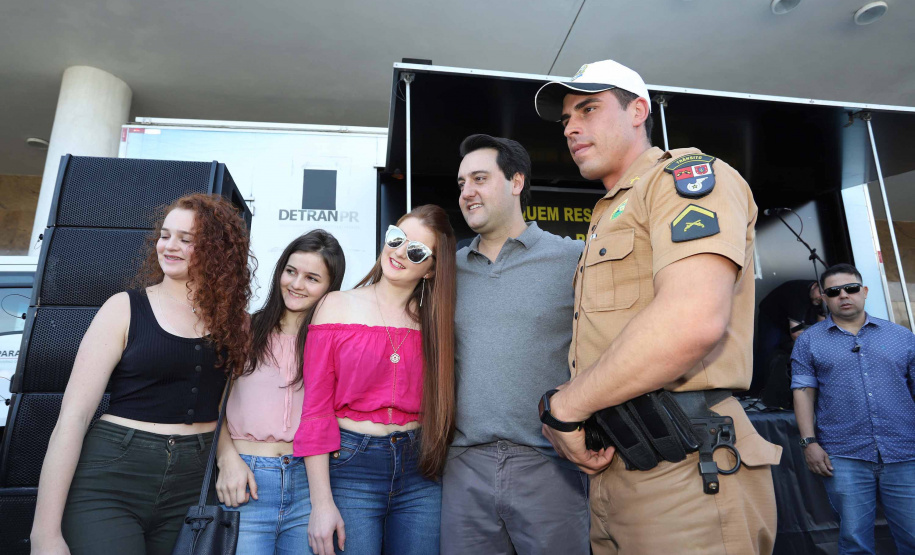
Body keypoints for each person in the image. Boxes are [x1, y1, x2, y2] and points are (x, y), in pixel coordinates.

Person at [533, 59, 781, 554]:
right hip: (619, 465)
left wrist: (566, 407)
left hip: (689, 468)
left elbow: (692, 321)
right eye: (566, 119)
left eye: (588, 108)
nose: (572, 127)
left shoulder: (685, 179)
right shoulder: (612, 210)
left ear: (638, 111)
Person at [30, 194, 253, 555]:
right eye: (165, 235)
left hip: (193, 480)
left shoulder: (236, 322)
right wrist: (45, 534)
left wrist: (227, 457)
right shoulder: (123, 308)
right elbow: (73, 418)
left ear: (216, 250)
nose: (170, 246)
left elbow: (228, 405)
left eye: (186, 238)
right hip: (113, 473)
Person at [440, 134, 589, 554]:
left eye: (480, 178)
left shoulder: (573, 259)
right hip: (464, 467)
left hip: (550, 465)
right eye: (462, 182)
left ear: (516, 182)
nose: (467, 192)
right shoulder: (446, 272)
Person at [293, 205, 456, 555]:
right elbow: (315, 410)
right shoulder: (335, 305)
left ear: (431, 270)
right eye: (396, 238)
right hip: (351, 466)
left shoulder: (438, 323)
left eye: (416, 251)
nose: (398, 252)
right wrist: (321, 504)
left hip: (421, 469)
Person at [216, 230, 345, 554]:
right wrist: (227, 458)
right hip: (246, 481)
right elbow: (210, 405)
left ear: (330, 287)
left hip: (309, 484)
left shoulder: (333, 343)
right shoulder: (242, 330)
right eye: (291, 271)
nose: (297, 284)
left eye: (312, 278)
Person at [791, 263, 915, 554]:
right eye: (834, 291)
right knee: (855, 542)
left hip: (905, 451)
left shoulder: (901, 336)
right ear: (823, 297)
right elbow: (803, 392)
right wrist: (809, 442)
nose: (844, 295)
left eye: (851, 288)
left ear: (865, 291)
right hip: (844, 454)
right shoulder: (809, 340)